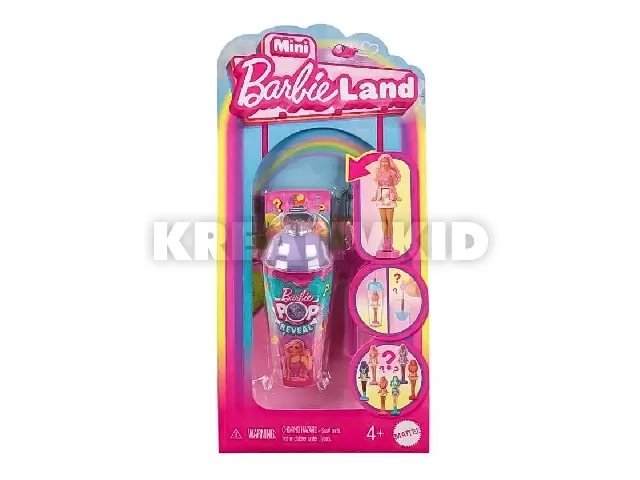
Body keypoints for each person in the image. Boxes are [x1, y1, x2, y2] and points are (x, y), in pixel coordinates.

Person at [371, 154, 401, 255]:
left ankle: (390, 243)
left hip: (389, 195)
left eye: (386, 161)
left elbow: (393, 186)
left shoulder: (392, 172)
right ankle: (385, 243)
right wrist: (375, 197)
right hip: (381, 196)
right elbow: (378, 187)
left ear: (389, 162)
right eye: (383, 161)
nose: (384, 163)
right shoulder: (378, 172)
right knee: (383, 221)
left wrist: (396, 196)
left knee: (389, 221)